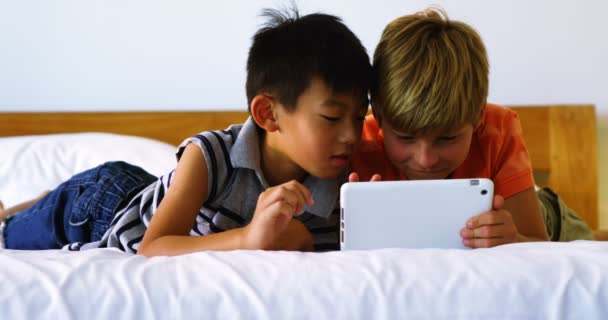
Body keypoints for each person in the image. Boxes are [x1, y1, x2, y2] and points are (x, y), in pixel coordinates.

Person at [0, 7, 372, 255]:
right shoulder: (210, 156)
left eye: (359, 117)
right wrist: (248, 238)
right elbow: (151, 247)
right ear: (268, 114)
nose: (351, 135)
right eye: (331, 117)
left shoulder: (339, 186)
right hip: (103, 204)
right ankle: (29, 204)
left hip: (152, 192)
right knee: (13, 234)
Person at [350, 7, 603, 247]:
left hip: (546, 222)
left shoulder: (498, 128)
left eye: (447, 139)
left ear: (478, 117)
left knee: (590, 248)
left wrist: (514, 240)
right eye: (406, 138)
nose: (425, 160)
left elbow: (537, 242)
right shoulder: (357, 144)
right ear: (380, 118)